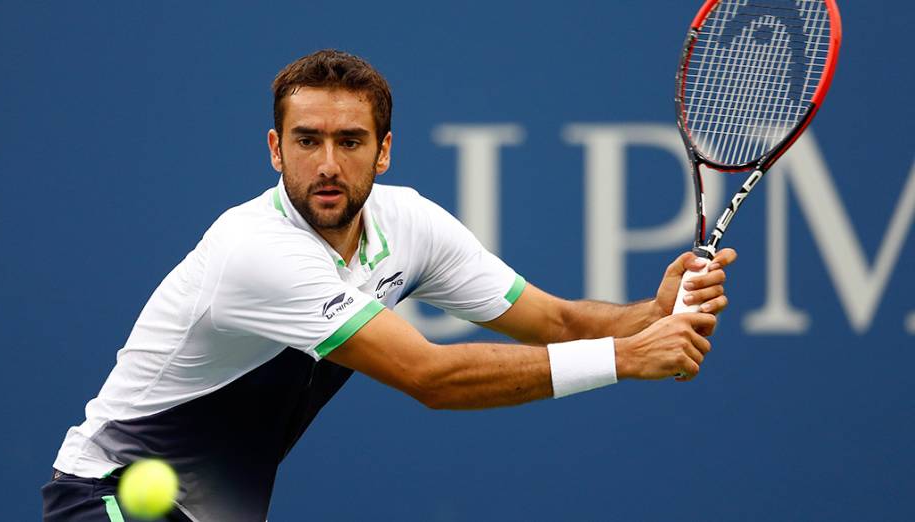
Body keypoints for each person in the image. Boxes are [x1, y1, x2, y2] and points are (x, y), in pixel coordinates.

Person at [42, 49, 736, 522]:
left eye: (350, 141)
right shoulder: (255, 250)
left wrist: (652, 313)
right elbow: (431, 377)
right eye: (307, 140)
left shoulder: (410, 224)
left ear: (385, 149)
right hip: (110, 498)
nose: (327, 164)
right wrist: (625, 358)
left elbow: (552, 323)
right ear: (275, 149)